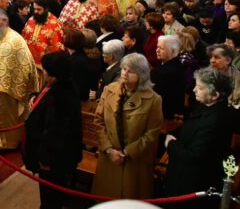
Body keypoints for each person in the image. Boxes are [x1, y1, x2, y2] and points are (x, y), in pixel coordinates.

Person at [92, 53, 163, 199]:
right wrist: (108, 149)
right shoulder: (109, 89)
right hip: (109, 158)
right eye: (124, 69)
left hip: (134, 163)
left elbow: (152, 133)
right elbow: (98, 121)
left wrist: (127, 152)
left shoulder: (154, 99)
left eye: (131, 71)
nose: (125, 73)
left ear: (142, 74)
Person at [163, 68, 232, 209]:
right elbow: (189, 128)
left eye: (200, 88)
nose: (194, 90)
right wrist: (173, 134)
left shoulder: (215, 120)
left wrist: (170, 144)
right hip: (184, 177)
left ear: (215, 95)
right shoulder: (205, 106)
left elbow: (194, 155)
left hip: (195, 185)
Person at [23, 51, 82, 209]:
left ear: (54, 74)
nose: (43, 72)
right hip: (51, 155)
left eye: (46, 70)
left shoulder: (61, 97)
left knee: (51, 194)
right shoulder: (57, 84)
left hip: (53, 159)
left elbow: (55, 133)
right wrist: (34, 97)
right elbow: (43, 97)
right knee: (49, 192)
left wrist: (45, 160)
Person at [0, 9, 37, 149]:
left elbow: (26, 64)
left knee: (5, 118)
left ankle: (8, 144)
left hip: (8, 90)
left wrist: (21, 86)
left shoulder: (16, 40)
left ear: (5, 20)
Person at [22, 0, 65, 87]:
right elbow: (23, 37)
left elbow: (57, 46)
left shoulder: (55, 23)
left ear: (45, 9)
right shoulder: (31, 20)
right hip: (29, 61)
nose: (36, 12)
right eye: (34, 9)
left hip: (44, 65)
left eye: (39, 9)